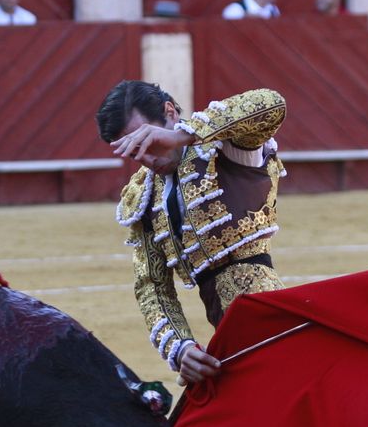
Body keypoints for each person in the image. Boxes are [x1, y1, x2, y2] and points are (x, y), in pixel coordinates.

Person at [99, 80, 287, 386]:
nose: (147, 158)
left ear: (170, 113)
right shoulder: (143, 193)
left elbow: (271, 103)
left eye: (150, 141)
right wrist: (181, 349)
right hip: (224, 340)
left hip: (272, 320)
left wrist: (180, 137)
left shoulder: (220, 146)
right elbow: (152, 286)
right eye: (136, 151)